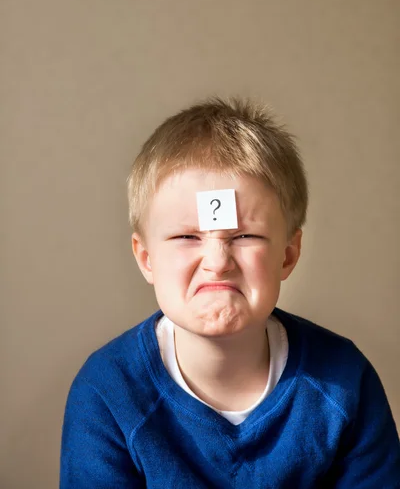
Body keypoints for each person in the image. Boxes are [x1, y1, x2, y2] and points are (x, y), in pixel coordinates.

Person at [60, 97, 400, 488]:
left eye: (245, 236)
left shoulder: (343, 380)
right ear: (146, 258)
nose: (217, 261)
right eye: (187, 236)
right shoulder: (107, 392)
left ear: (288, 255)